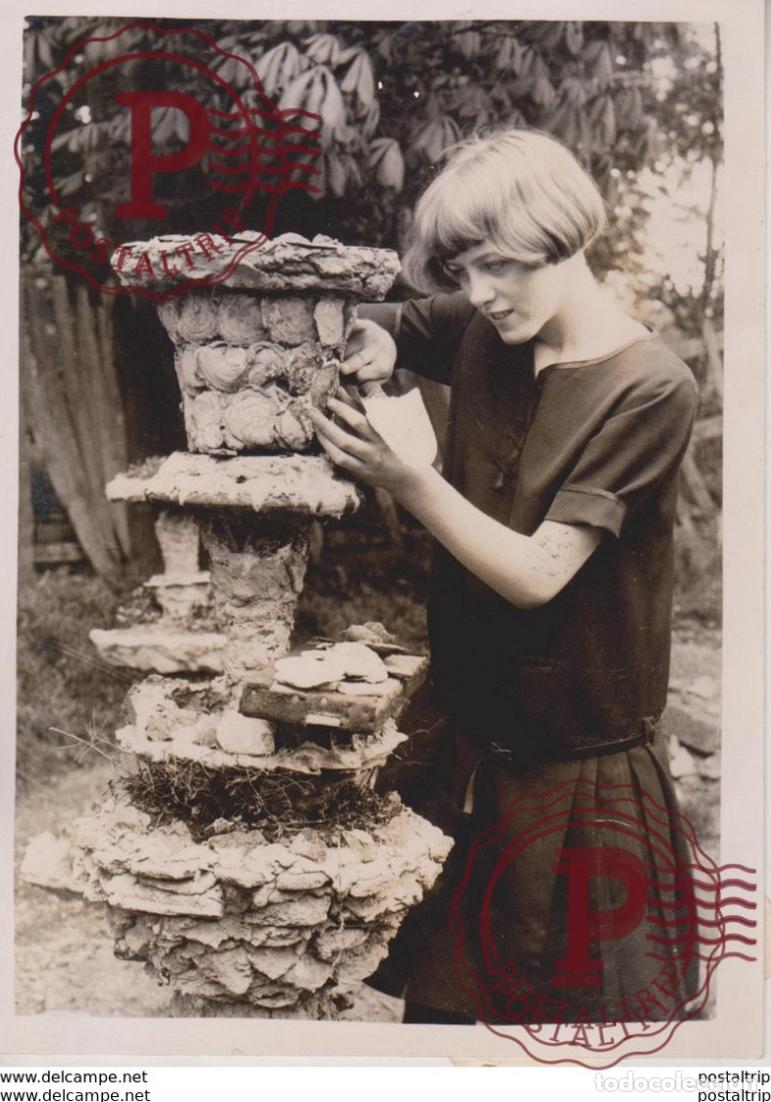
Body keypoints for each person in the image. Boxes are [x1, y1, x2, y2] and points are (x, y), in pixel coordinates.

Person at [308, 128, 700, 1027]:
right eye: (463, 271)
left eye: (496, 265)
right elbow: (396, 323)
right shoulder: (485, 326)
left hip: (579, 780)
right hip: (466, 753)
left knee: (578, 1050)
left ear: (559, 236)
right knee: (442, 1032)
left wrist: (408, 481)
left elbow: (536, 575)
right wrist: (377, 340)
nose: (478, 291)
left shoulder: (649, 388)